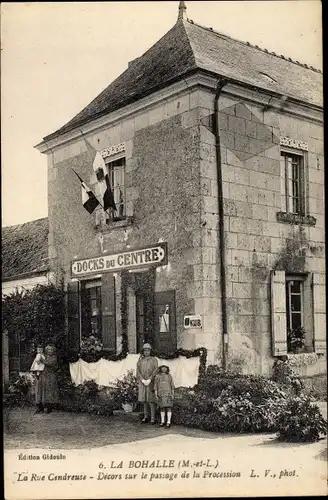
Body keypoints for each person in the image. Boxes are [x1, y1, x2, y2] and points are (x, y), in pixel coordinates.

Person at [136, 343, 158, 424]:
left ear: (150, 351)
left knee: (151, 400)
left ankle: (153, 418)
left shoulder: (154, 360)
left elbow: (156, 370)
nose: (146, 352)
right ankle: (146, 417)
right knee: (144, 400)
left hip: (150, 382)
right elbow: (138, 371)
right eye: (145, 350)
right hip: (143, 382)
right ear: (143, 351)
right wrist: (142, 380)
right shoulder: (140, 360)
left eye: (148, 350)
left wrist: (150, 379)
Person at [34, 344, 59, 414]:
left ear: (53, 350)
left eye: (51, 349)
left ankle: (49, 408)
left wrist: (41, 360)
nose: (50, 351)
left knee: (49, 392)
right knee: (40, 391)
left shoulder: (54, 357)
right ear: (46, 350)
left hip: (51, 376)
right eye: (48, 349)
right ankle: (40, 407)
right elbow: (37, 363)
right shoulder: (44, 356)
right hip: (43, 375)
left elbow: (49, 363)